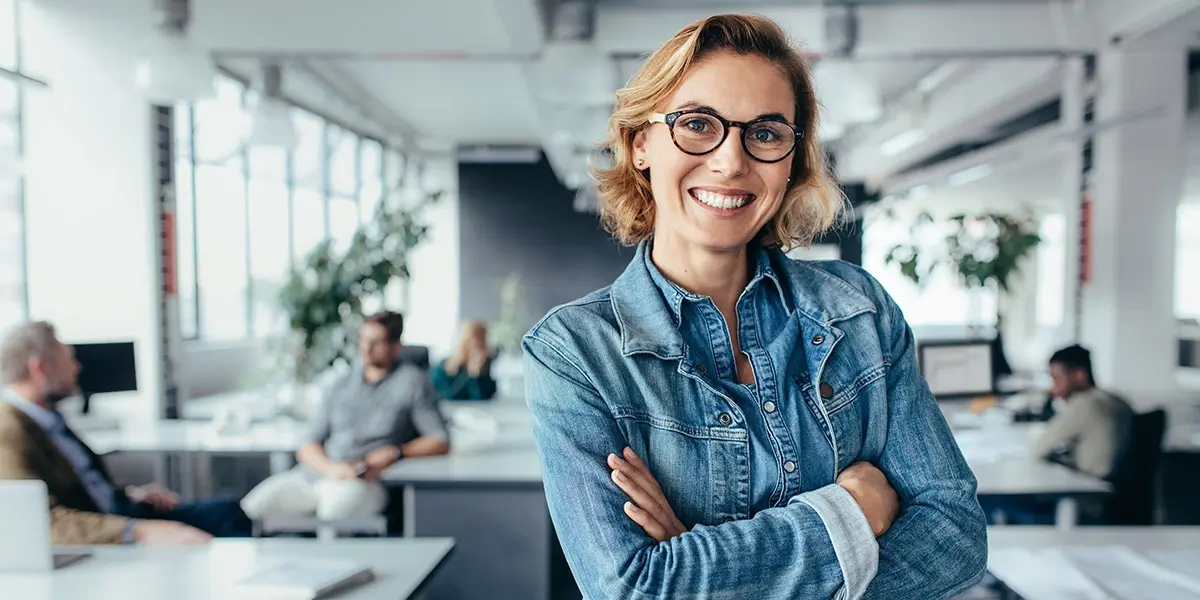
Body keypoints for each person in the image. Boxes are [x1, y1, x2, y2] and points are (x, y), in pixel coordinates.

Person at [521, 14, 987, 600]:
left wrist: (700, 565)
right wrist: (850, 514)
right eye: (697, 125)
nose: (731, 162)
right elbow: (632, 588)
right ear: (641, 144)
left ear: (792, 158)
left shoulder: (859, 311)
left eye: (765, 133)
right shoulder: (575, 353)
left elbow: (956, 537)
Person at [0, 321, 251, 544]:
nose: (77, 368)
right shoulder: (9, 431)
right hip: (105, 532)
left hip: (118, 513)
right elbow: (38, 522)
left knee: (227, 511)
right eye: (69, 360)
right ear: (40, 368)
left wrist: (129, 494)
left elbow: (80, 485)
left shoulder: (47, 417)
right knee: (224, 520)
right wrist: (139, 531)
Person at [240, 311, 450, 522]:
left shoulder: (413, 382)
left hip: (364, 480)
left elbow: (439, 440)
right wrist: (332, 469)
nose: (366, 348)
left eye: (376, 342)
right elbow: (308, 445)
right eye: (363, 340)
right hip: (320, 473)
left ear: (396, 346)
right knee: (254, 507)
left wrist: (396, 453)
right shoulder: (340, 383)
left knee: (333, 512)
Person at [1030, 344, 1133, 479]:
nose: (1053, 388)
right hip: (1117, 483)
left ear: (1080, 375)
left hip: (1091, 484)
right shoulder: (1117, 400)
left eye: (1056, 378)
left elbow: (1039, 450)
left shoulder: (1083, 404)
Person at [431, 320, 497, 401]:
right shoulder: (444, 366)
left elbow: (482, 397)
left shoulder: (485, 368)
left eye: (481, 341)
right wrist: (467, 376)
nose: (476, 345)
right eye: (472, 340)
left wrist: (475, 375)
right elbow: (447, 396)